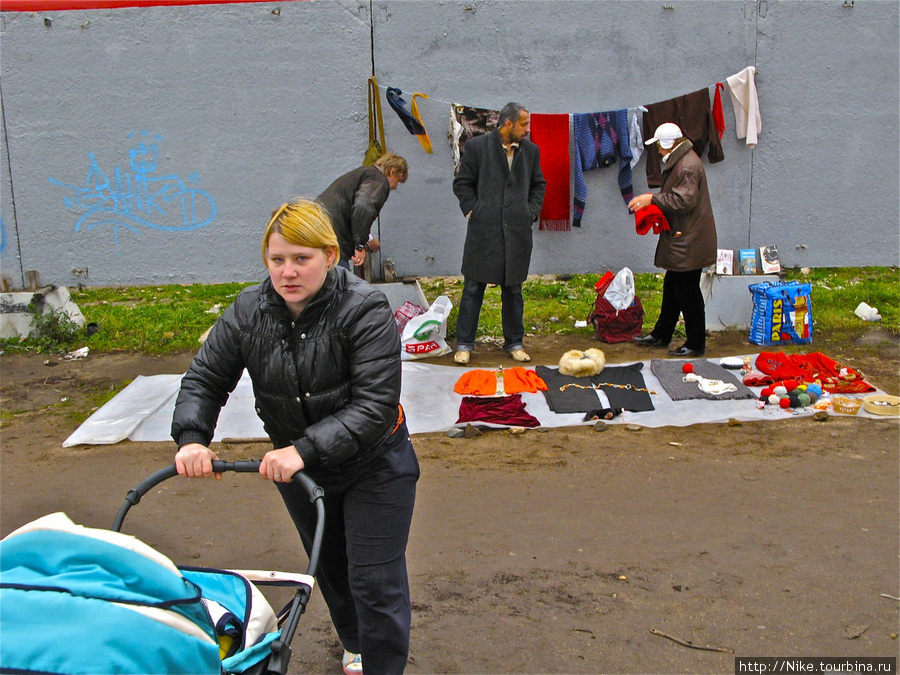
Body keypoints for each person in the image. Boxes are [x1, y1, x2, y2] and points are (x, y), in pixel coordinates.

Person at [171, 199, 419, 675]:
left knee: (374, 579)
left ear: (330, 255)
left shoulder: (365, 308)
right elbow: (205, 377)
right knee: (330, 570)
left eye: (301, 259)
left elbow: (374, 406)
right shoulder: (250, 310)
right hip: (304, 473)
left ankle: (384, 667)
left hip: (375, 464)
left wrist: (301, 449)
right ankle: (356, 645)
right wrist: (192, 437)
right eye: (276, 259)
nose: (287, 272)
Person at [451, 102, 546, 365]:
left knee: (513, 290)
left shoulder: (531, 151)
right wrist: (473, 210)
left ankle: (514, 342)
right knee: (473, 288)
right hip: (484, 230)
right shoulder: (478, 147)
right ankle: (464, 344)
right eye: (524, 124)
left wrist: (530, 212)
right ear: (508, 124)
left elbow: (538, 184)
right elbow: (462, 183)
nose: (528, 129)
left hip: (517, 232)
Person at [628, 122, 717, 357]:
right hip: (687, 236)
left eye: (659, 146)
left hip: (689, 238)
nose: (658, 150)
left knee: (687, 291)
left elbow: (683, 201)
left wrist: (652, 199)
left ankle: (695, 343)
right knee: (673, 287)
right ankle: (662, 333)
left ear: (668, 145)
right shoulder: (684, 161)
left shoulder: (686, 166)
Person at [316, 153, 408, 270]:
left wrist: (368, 239)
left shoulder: (365, 174)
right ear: (392, 171)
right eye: (398, 181)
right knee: (337, 282)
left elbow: (357, 211)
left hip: (319, 228)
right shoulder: (379, 180)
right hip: (333, 235)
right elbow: (363, 209)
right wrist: (360, 246)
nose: (395, 187)